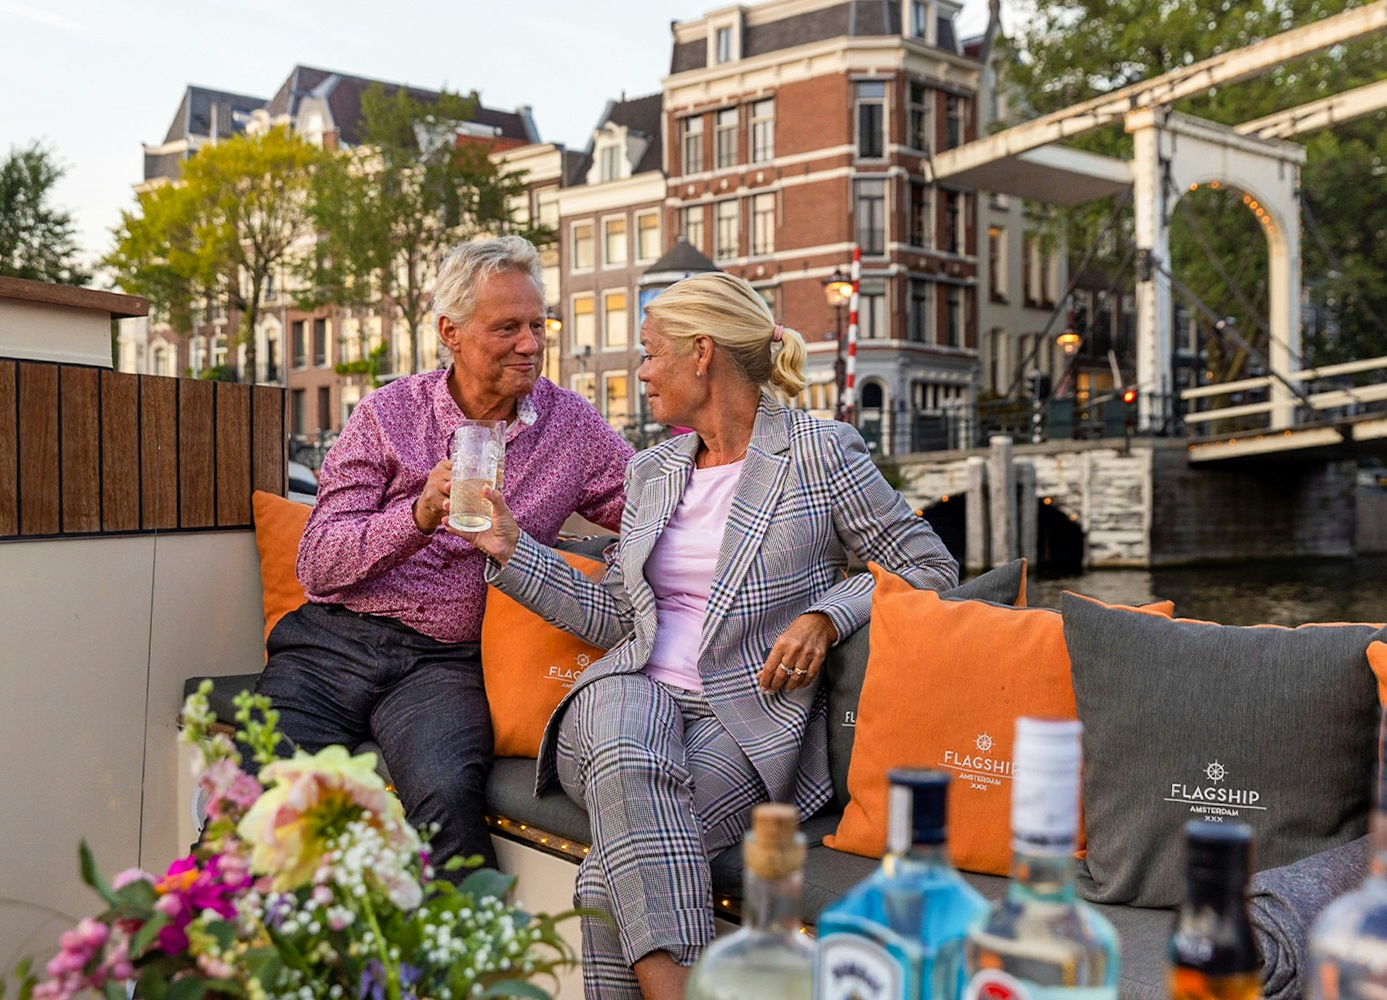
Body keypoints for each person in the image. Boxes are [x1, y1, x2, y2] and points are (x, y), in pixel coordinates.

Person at [456, 271, 959, 999]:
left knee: (610, 877)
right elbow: (620, 619)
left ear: (701, 353)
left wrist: (828, 614)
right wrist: (510, 547)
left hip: (743, 720)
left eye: (650, 352)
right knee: (632, 723)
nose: (642, 372)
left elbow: (929, 564)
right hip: (623, 701)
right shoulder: (653, 470)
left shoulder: (820, 453)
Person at [254, 235, 633, 878]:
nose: (531, 344)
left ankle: (453, 969)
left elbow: (655, 505)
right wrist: (418, 517)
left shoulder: (570, 426)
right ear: (449, 333)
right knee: (262, 799)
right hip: (335, 644)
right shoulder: (385, 413)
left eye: (538, 326)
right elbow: (317, 562)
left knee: (450, 804)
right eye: (507, 327)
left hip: (448, 662)